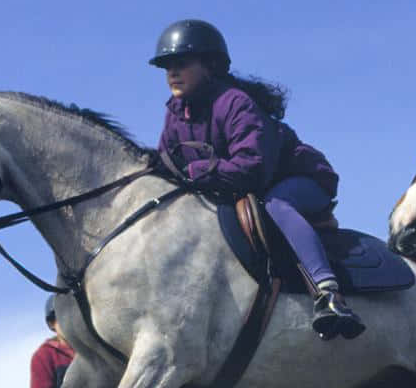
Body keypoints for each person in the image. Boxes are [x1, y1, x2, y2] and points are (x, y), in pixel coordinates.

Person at [149, 18, 364, 341]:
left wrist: (193, 173)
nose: (172, 74)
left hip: (299, 180)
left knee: (276, 204)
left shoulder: (235, 103)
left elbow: (252, 168)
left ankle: (328, 293)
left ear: (210, 66)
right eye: (167, 67)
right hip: (244, 190)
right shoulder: (175, 112)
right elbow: (166, 162)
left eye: (181, 64)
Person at [30, 294, 75, 388]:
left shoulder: (93, 351)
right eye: (61, 317)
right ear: (52, 324)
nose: (67, 322)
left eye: (71, 315)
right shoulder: (44, 356)